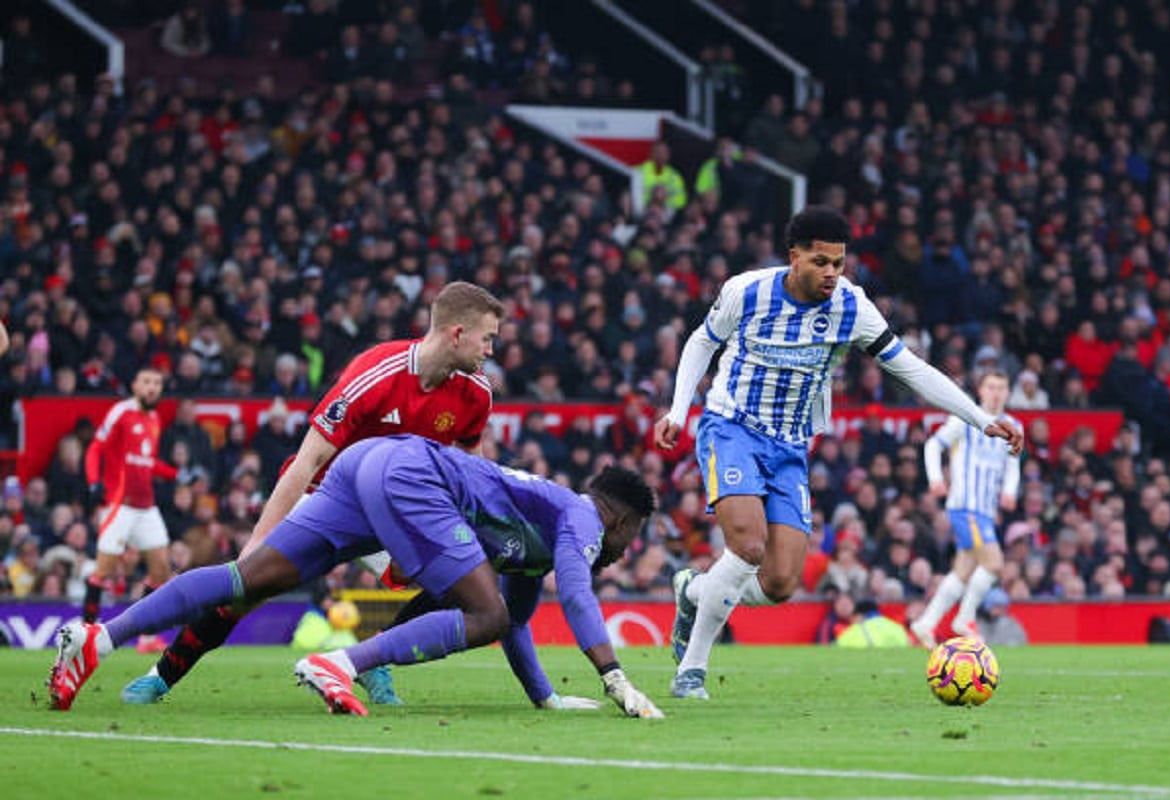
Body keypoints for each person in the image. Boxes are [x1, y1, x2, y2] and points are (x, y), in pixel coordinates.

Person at [654, 206, 1023, 699]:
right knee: (747, 544)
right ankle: (691, 671)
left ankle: (694, 591)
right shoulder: (748, 291)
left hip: (789, 445)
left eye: (839, 263)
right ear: (795, 257)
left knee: (781, 582)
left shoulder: (852, 307)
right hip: (731, 427)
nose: (831, 273)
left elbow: (910, 369)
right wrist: (679, 410)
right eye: (821, 261)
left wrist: (980, 417)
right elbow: (702, 342)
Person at [49, 436, 663, 720]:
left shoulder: (544, 536)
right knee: (482, 611)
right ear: (621, 519)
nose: (623, 551)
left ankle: (99, 638)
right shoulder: (584, 515)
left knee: (247, 578)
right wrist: (614, 677)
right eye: (629, 537)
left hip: (365, 466)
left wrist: (546, 696)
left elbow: (519, 623)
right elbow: (578, 595)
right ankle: (342, 664)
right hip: (416, 475)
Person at [122, 282, 502, 707]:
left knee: (456, 583)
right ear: (456, 334)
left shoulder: (476, 392)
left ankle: (369, 655)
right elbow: (306, 462)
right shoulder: (376, 372)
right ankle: (160, 675)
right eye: (487, 338)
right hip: (327, 498)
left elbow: (472, 466)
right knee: (246, 590)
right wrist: (257, 545)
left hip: (394, 511)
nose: (490, 350)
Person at [911, 370, 1021, 646]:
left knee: (963, 571)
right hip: (965, 506)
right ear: (981, 390)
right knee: (994, 564)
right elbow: (934, 444)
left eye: (1001, 387)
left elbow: (1013, 463)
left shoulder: (1011, 424)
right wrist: (935, 478)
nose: (996, 393)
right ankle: (965, 617)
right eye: (991, 387)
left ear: (1007, 393)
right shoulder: (965, 418)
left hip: (985, 509)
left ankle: (926, 623)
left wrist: (1009, 491)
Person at [82, 368, 179, 654]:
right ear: (135, 384)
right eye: (147, 381)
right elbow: (95, 449)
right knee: (104, 571)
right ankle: (84, 635)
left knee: (161, 571)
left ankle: (147, 638)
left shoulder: (154, 419)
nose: (152, 387)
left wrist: (176, 474)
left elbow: (146, 463)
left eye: (157, 383)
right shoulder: (120, 412)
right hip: (119, 504)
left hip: (146, 506)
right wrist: (93, 482)